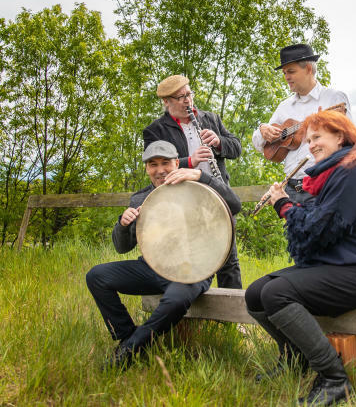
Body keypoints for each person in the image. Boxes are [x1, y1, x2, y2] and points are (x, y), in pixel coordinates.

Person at [246, 110, 356, 407]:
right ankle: (294, 358)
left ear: (340, 136)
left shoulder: (354, 171)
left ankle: (334, 379)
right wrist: (288, 201)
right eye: (309, 139)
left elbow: (320, 228)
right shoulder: (336, 170)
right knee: (256, 293)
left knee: (276, 293)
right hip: (338, 265)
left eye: (317, 137)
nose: (310, 145)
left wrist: (284, 206)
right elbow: (317, 212)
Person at [85, 140, 242, 369]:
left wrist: (201, 175)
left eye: (165, 163)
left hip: (193, 271)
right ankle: (126, 334)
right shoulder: (140, 199)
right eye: (153, 164)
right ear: (147, 168)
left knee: (175, 300)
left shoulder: (197, 187)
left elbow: (235, 205)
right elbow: (121, 247)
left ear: (176, 163)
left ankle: (131, 348)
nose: (160, 170)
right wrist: (122, 224)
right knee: (96, 276)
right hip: (152, 268)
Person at [143, 74, 243, 288]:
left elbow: (236, 148)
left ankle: (232, 319)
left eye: (189, 94)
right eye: (180, 97)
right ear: (166, 102)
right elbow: (157, 167)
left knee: (229, 260)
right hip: (183, 202)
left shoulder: (211, 118)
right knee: (191, 257)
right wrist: (190, 161)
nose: (187, 100)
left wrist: (218, 142)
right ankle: (192, 315)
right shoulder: (156, 130)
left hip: (217, 194)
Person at [252, 44, 351, 204]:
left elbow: (349, 141)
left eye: (291, 71)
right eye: (284, 73)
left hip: (325, 185)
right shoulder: (284, 107)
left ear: (309, 69)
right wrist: (263, 129)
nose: (286, 77)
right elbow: (259, 145)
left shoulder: (333, 98)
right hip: (292, 189)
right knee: (292, 229)